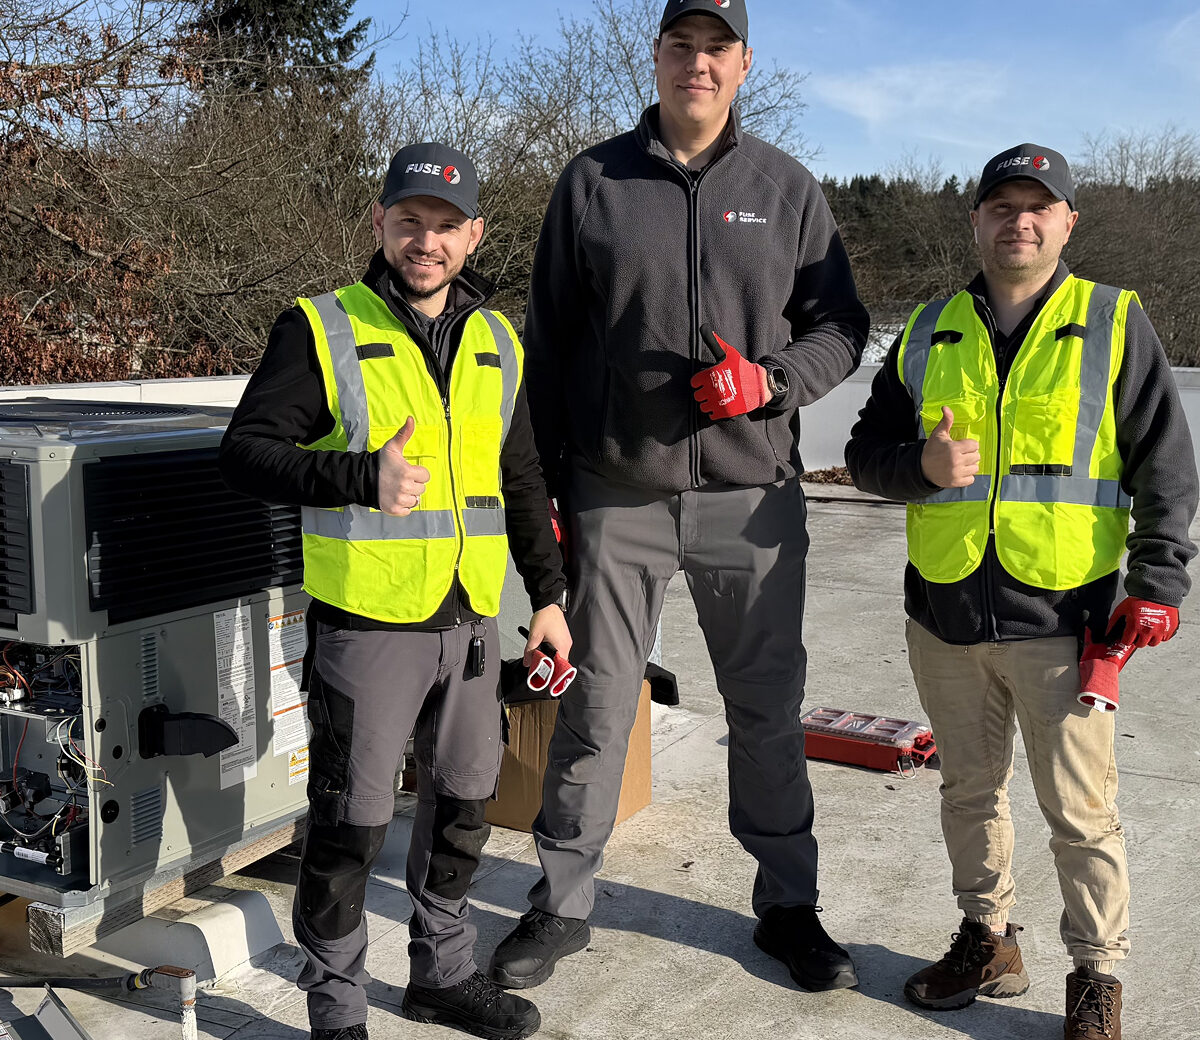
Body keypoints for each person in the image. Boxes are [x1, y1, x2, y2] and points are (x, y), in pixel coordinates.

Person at [489, 0, 869, 995]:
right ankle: (562, 900)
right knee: (598, 705)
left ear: (744, 63)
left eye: (716, 48)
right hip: (618, 492)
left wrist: (771, 381)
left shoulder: (786, 188)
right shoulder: (592, 184)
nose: (697, 63)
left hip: (753, 499)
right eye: (680, 46)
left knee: (767, 710)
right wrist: (555, 499)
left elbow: (843, 325)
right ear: (656, 57)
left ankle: (788, 902)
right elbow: (554, 347)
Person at [845, 143, 1197, 1040]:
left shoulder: (1114, 322)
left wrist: (1158, 581)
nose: (1020, 221)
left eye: (1039, 206)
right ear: (977, 220)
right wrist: (916, 468)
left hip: (1067, 624)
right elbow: (863, 456)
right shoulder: (928, 329)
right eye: (1002, 205)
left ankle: (1096, 977)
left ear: (1068, 221)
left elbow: (1167, 468)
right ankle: (988, 935)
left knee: (1081, 813)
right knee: (968, 790)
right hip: (947, 614)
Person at [219, 142, 571, 1040]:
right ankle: (337, 1012)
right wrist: (356, 476)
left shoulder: (497, 339)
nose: (428, 239)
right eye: (410, 220)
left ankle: (442, 976)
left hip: (473, 619)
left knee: (462, 807)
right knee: (351, 825)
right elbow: (245, 452)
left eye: (447, 225)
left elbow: (521, 479)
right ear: (380, 223)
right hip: (367, 627)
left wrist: (551, 599)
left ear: (474, 235)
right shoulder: (322, 326)